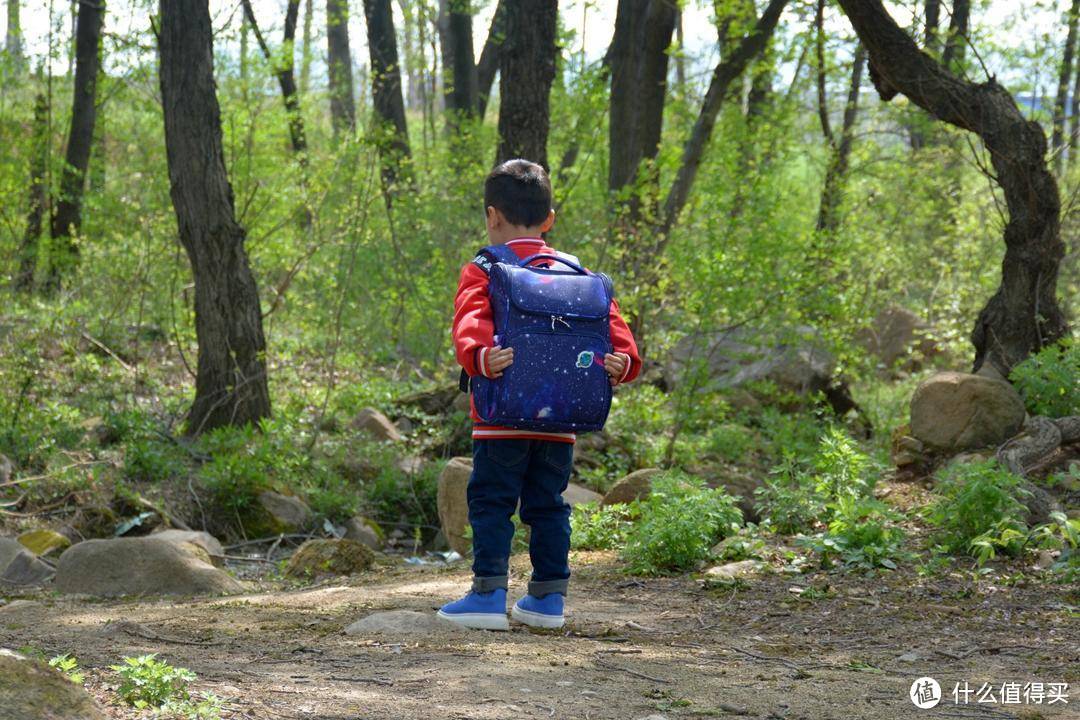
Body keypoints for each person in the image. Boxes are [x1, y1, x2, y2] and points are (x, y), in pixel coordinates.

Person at [438, 159, 641, 630]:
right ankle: (548, 600)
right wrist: (622, 365)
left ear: (492, 216)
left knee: (491, 501)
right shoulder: (578, 274)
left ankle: (488, 596)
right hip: (562, 421)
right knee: (549, 504)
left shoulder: (484, 268)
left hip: (500, 417)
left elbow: (469, 323)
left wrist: (479, 357)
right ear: (549, 219)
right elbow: (618, 337)